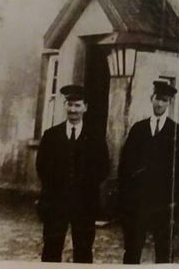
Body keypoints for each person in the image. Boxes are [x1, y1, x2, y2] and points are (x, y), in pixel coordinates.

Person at [36, 84, 110, 263]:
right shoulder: (51, 135)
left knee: (83, 251)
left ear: (85, 107)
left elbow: (103, 167)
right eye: (69, 105)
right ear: (64, 106)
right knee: (51, 250)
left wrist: (83, 187)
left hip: (84, 204)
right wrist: (56, 189)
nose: (73, 110)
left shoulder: (95, 137)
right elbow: (42, 166)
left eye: (77, 105)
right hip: (55, 203)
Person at [118, 80, 179, 264]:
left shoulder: (175, 131)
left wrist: (175, 200)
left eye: (164, 100)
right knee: (132, 248)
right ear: (151, 99)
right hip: (138, 200)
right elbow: (125, 164)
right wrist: (126, 194)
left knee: (163, 251)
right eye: (157, 98)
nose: (159, 104)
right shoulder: (138, 129)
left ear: (169, 103)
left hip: (163, 202)